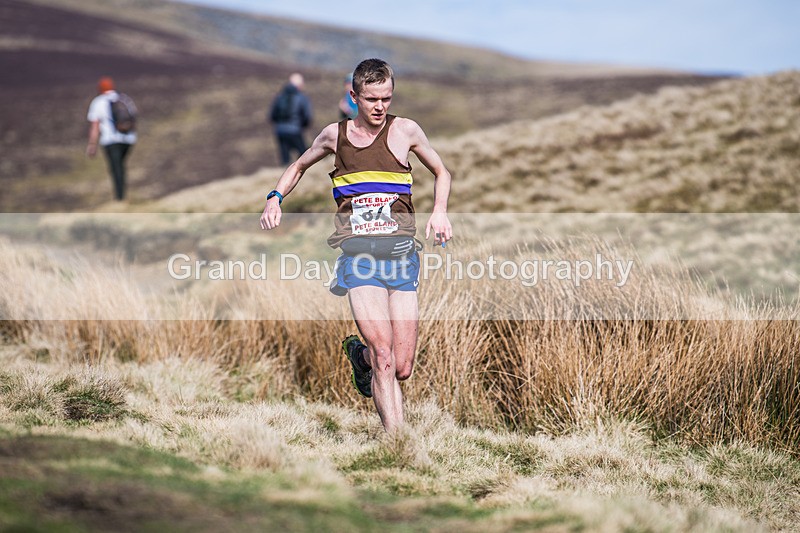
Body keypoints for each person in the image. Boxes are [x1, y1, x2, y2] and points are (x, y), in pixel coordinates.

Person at [260, 58, 453, 433]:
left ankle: (358, 357)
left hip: (401, 258)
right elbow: (297, 166)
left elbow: (442, 171)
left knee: (402, 365)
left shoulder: (406, 131)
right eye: (371, 99)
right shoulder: (336, 136)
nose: (380, 106)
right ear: (354, 96)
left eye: (386, 97)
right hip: (359, 259)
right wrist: (274, 198)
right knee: (384, 354)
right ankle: (398, 443)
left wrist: (440, 211)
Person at [86, 76, 137, 201]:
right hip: (128, 139)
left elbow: (95, 125)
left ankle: (120, 198)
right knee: (120, 166)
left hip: (111, 139)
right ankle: (122, 195)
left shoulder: (98, 102)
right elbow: (134, 116)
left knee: (116, 168)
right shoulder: (124, 99)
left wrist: (92, 145)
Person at [269, 73, 312, 165]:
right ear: (300, 85)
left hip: (280, 131)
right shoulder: (301, 97)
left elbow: (272, 115)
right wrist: (302, 126)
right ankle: (301, 173)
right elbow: (306, 115)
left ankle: (285, 175)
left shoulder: (279, 96)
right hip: (295, 130)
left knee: (285, 157)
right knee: (304, 154)